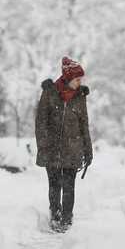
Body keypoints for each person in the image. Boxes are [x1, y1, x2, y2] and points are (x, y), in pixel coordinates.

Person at [35, 57, 93, 232]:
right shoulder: (50, 93)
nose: (79, 82)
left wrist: (88, 150)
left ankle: (67, 220)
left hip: (72, 149)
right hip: (51, 149)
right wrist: (44, 143)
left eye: (80, 79)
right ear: (68, 78)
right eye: (77, 79)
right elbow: (40, 122)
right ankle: (55, 216)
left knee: (69, 186)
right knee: (54, 186)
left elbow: (84, 125)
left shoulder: (80, 97)